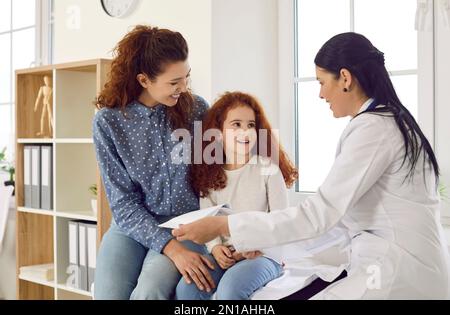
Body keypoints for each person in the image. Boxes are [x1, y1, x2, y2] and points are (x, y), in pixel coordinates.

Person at [172, 32, 450, 299]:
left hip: (398, 269)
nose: (320, 94)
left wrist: (226, 226)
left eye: (321, 82)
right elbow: (336, 218)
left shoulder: (374, 129)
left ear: (344, 78)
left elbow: (319, 214)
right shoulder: (387, 121)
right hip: (391, 258)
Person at [92, 25, 214, 300]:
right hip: (132, 225)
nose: (183, 88)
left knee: (149, 293)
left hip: (186, 223)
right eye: (174, 82)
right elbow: (122, 203)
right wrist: (169, 247)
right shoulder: (109, 122)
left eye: (186, 78)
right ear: (144, 80)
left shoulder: (197, 110)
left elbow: (220, 174)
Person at [175, 91, 298, 300]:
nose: (245, 132)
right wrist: (215, 249)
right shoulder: (209, 173)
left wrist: (248, 248)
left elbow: (280, 223)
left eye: (251, 125)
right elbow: (209, 220)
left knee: (230, 291)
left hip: (265, 254)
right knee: (187, 290)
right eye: (236, 124)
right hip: (227, 253)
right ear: (218, 132)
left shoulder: (268, 169)